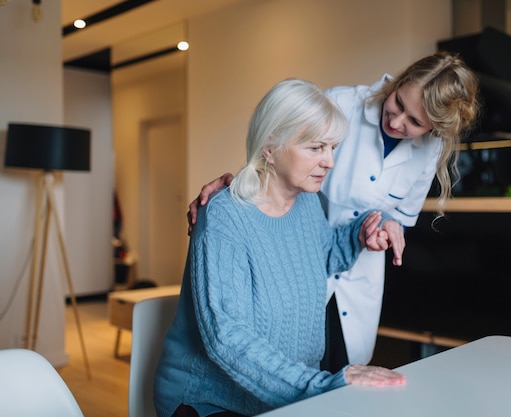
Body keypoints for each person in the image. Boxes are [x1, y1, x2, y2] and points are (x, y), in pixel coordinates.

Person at [187, 51, 480, 372]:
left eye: (414, 122)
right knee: (281, 363)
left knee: (338, 370)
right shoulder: (341, 104)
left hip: (353, 267)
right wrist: (238, 183)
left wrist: (385, 226)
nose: (396, 122)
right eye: (398, 103)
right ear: (398, 83)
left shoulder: (429, 150)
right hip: (295, 262)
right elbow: (278, 147)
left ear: (433, 130)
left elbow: (398, 216)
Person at [154, 78, 406, 417]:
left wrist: (363, 233)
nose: (329, 161)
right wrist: (316, 387)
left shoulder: (306, 204)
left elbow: (324, 256)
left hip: (285, 395)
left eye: (332, 147)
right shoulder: (223, 216)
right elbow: (226, 337)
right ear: (270, 146)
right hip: (210, 399)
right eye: (316, 148)